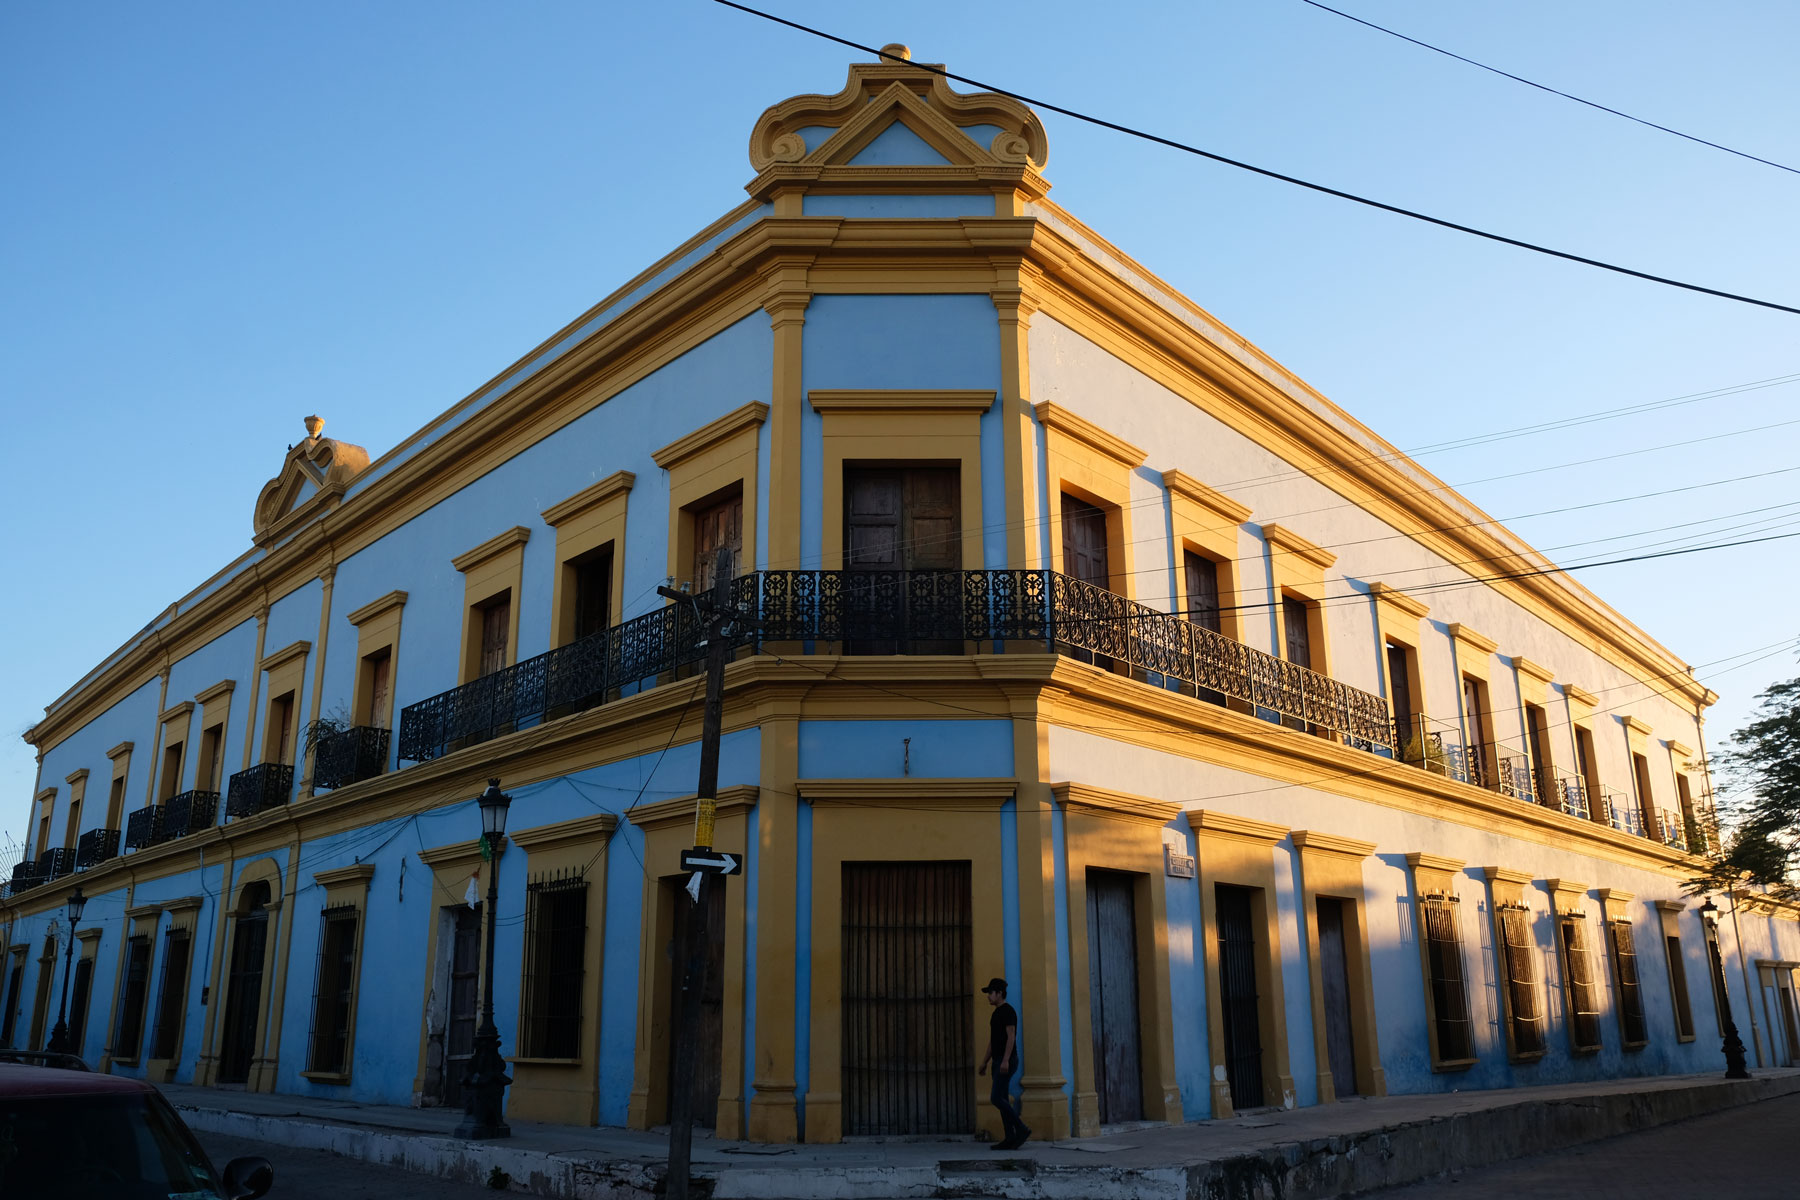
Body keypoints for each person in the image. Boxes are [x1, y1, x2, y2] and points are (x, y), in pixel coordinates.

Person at [977, 977, 1030, 1149]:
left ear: (999, 993)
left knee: (996, 1098)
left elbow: (1011, 1037)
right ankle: (1010, 1137)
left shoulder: (1008, 1012)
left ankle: (1021, 1129)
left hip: (1006, 1060)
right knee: (1003, 1098)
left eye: (990, 993)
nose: (988, 997)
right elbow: (993, 1042)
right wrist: (985, 1062)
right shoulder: (996, 1014)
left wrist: (1006, 1060)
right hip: (998, 1060)